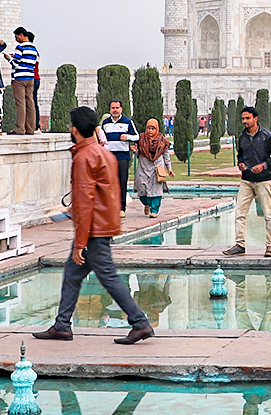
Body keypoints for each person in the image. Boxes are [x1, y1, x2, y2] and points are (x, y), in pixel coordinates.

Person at [34, 105, 156, 344]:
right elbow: (99, 195)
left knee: (108, 276)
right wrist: (71, 213)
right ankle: (62, 325)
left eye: (71, 126)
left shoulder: (84, 157)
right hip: (101, 224)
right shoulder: (103, 152)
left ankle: (140, 323)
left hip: (93, 230)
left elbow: (86, 201)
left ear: (76, 129)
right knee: (72, 274)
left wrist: (80, 242)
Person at [225, 105, 271, 256]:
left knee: (268, 214)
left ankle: (270, 246)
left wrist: (264, 165)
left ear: (255, 119)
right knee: (239, 213)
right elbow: (240, 155)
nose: (244, 121)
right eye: (243, 118)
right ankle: (239, 244)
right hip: (247, 180)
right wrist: (241, 164)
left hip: (263, 180)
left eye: (247, 118)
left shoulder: (266, 136)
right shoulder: (242, 137)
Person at [98, 100, 136, 207]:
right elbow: (101, 137)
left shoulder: (127, 122)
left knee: (122, 182)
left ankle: (121, 207)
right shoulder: (105, 123)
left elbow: (136, 136)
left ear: (121, 109)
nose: (115, 110)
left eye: (117, 108)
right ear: (110, 110)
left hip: (122, 157)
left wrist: (127, 137)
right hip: (108, 157)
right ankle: (110, 206)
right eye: (113, 108)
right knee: (108, 182)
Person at [134, 117, 171, 216]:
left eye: (153, 128)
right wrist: (134, 150)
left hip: (157, 168)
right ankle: (147, 204)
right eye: (149, 128)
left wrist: (169, 169)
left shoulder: (162, 140)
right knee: (141, 189)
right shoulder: (141, 139)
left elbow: (166, 155)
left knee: (157, 190)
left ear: (157, 129)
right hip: (143, 167)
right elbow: (138, 153)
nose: (150, 131)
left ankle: (154, 210)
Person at [10, 27, 40, 134]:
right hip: (30, 77)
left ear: (21, 35)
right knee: (30, 103)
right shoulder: (34, 48)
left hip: (19, 78)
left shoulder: (20, 47)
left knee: (20, 103)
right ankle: (31, 128)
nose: (16, 38)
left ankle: (20, 128)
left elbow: (15, 63)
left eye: (17, 36)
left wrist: (9, 59)